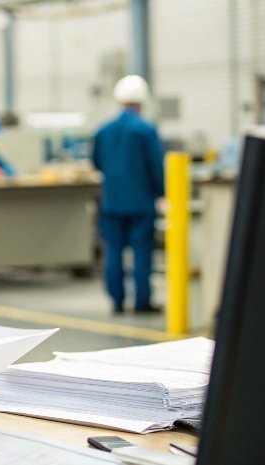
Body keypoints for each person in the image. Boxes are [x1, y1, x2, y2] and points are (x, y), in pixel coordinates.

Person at [91, 74, 165, 314]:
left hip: (112, 202)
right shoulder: (145, 130)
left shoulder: (103, 131)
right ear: (142, 101)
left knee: (113, 251)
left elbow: (98, 163)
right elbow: (156, 166)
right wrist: (162, 193)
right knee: (142, 252)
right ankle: (142, 302)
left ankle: (117, 301)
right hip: (141, 203)